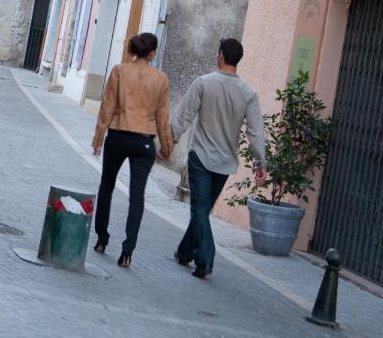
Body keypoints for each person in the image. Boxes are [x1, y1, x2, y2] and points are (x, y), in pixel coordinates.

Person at [170, 37, 268, 279]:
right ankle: (184, 252)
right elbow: (256, 131)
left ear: (221, 55)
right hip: (225, 162)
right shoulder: (248, 93)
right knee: (203, 209)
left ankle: (205, 259)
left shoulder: (203, 83)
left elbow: (182, 116)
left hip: (201, 156)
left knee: (199, 209)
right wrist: (260, 163)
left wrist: (169, 141)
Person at [91, 32, 173, 269]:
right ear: (152, 52)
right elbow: (163, 117)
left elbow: (107, 108)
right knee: (137, 196)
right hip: (144, 141)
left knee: (107, 185)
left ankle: (101, 239)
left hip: (118, 135)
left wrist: (98, 139)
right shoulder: (161, 79)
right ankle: (127, 252)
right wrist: (166, 147)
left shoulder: (119, 71)